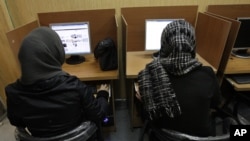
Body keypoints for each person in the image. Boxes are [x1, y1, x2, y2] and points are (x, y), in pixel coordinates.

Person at [5, 27, 109, 140]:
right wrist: (103, 93)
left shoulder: (13, 93)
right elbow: (98, 114)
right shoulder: (73, 86)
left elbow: (17, 122)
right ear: (56, 52)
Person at [137, 20, 223, 137]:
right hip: (201, 137)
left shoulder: (149, 75)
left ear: (164, 43)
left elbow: (147, 116)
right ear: (192, 43)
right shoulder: (207, 74)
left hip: (164, 136)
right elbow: (215, 103)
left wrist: (146, 99)